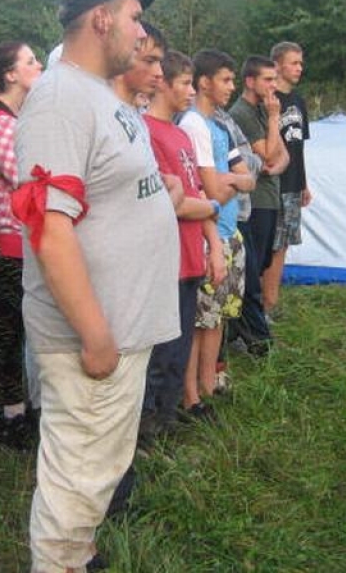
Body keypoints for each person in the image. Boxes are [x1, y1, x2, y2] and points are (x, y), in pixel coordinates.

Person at [14, 0, 180, 573]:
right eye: (135, 18)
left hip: (121, 328)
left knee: (98, 470)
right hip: (92, 337)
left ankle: (78, 558)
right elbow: (49, 229)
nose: (142, 35)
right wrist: (95, 332)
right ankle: (59, 562)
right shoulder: (58, 99)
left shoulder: (97, 94)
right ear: (101, 18)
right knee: (77, 476)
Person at [142, 48, 223, 438]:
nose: (191, 92)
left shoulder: (179, 133)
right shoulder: (149, 132)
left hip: (192, 255)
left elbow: (193, 194)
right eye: (185, 83)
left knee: (181, 345)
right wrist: (209, 206)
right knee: (162, 350)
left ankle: (170, 417)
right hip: (167, 258)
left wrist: (214, 245)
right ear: (164, 85)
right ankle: (151, 425)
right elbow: (171, 202)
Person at [177, 49, 255, 414]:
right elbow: (207, 191)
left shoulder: (220, 124)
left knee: (218, 317)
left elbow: (248, 177)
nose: (231, 86)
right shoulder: (193, 124)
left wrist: (230, 181)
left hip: (229, 229)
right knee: (199, 320)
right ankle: (190, 394)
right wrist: (232, 182)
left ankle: (208, 386)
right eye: (225, 79)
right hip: (210, 233)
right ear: (204, 82)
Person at [0, 41, 45, 451]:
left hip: (23, 244)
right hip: (7, 245)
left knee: (16, 333)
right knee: (2, 335)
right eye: (30, 61)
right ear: (10, 75)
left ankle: (15, 412)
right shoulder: (1, 123)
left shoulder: (18, 119)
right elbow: (23, 176)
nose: (38, 66)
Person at [228, 55, 288, 354]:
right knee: (250, 270)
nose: (273, 86)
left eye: (275, 79)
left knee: (261, 263)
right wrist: (275, 119)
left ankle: (239, 330)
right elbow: (267, 155)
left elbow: (282, 156)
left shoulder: (264, 110)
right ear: (250, 81)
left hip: (269, 195)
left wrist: (274, 163)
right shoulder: (243, 113)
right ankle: (251, 337)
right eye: (268, 79)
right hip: (254, 201)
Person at [263, 42, 312, 319]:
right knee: (270, 245)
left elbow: (299, 147)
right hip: (272, 186)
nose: (299, 68)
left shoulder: (298, 102)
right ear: (278, 65)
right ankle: (264, 305)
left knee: (282, 246)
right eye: (294, 63)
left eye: (301, 63)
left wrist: (304, 183)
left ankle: (270, 303)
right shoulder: (269, 100)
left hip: (293, 185)